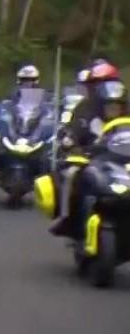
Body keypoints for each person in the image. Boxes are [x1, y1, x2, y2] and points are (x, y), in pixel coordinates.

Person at [57, 78, 130, 241]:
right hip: (94, 162)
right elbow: (72, 135)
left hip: (124, 163)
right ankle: (66, 218)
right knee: (70, 174)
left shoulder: (127, 122)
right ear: (101, 105)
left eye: (117, 104)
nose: (113, 108)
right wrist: (72, 143)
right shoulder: (88, 120)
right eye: (109, 104)